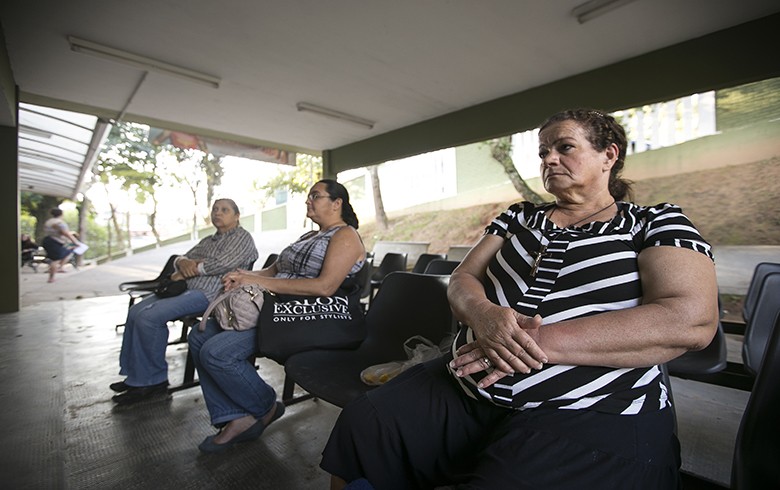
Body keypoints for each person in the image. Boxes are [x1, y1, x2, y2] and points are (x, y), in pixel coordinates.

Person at [321, 109, 719, 489]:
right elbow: (463, 277)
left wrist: (527, 344)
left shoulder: (653, 223)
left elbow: (690, 318)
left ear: (608, 156)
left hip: (592, 404)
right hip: (468, 384)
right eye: (543, 151)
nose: (549, 158)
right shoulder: (518, 218)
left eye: (564, 147)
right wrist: (484, 316)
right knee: (364, 424)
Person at [189, 179, 366, 453]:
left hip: (304, 318)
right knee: (199, 336)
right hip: (276, 308)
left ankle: (264, 406)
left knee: (216, 352)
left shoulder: (346, 235)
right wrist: (242, 275)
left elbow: (325, 287)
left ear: (337, 203)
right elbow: (272, 272)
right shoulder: (309, 236)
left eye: (315, 196)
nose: (308, 201)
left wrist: (259, 284)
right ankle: (235, 417)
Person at [111, 199, 258, 405]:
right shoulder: (209, 240)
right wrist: (182, 263)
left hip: (210, 294)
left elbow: (223, 264)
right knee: (136, 311)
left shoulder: (242, 237)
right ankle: (135, 376)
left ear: (236, 216)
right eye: (215, 209)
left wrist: (189, 270)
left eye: (224, 210)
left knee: (149, 317)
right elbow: (182, 257)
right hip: (188, 289)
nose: (218, 213)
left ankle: (153, 382)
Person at [41, 208, 81, 283]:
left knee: (55, 258)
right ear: (61, 214)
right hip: (55, 242)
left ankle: (55, 272)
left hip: (47, 240)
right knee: (55, 260)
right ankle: (51, 277)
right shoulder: (59, 222)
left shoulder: (48, 222)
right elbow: (66, 233)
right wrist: (75, 242)